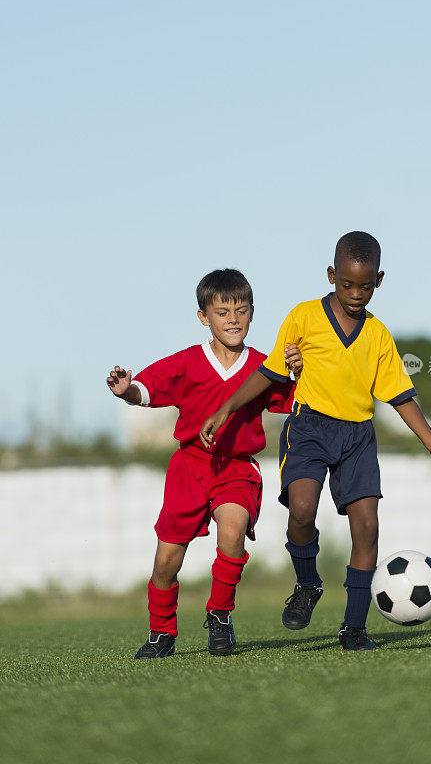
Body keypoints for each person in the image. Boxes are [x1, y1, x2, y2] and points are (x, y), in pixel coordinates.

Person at [199, 232, 431, 651]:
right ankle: (307, 584)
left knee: (367, 528)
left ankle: (354, 628)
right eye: (346, 284)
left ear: (379, 280)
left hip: (358, 437)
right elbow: (271, 372)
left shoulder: (378, 335)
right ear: (331, 275)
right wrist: (225, 409)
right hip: (309, 429)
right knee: (302, 510)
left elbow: (399, 394)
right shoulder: (303, 317)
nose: (356, 294)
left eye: (365, 285)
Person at [106, 269, 302, 658]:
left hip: (236, 469)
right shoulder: (187, 362)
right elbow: (148, 388)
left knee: (232, 529)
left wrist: (299, 369)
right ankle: (162, 632)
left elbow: (299, 400)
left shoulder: (264, 367)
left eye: (241, 311)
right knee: (166, 561)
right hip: (190, 468)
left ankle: (220, 616)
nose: (233, 319)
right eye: (223, 311)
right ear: (203, 317)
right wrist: (127, 389)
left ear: (252, 313)